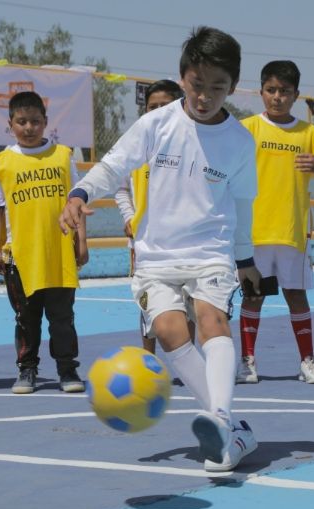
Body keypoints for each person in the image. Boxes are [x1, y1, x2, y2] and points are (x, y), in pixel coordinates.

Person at [60, 27, 260, 473]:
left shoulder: (241, 141)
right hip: (156, 255)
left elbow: (243, 206)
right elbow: (114, 166)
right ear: (182, 77)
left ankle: (222, 418)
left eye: (217, 87)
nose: (205, 96)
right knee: (170, 332)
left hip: (211, 251)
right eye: (196, 84)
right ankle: (234, 432)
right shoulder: (157, 123)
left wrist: (245, 259)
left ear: (232, 86)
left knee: (212, 321)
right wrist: (80, 194)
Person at [237, 60, 314, 385]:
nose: (277, 97)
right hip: (254, 231)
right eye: (271, 90)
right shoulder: (246, 128)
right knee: (253, 296)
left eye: (284, 91)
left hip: (292, 231)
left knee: (296, 295)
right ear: (261, 91)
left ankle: (308, 361)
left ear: (295, 95)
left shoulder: (310, 133)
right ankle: (247, 362)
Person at [0, 91, 88, 395]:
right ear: (10, 123)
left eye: (35, 121)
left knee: (62, 319)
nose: (28, 127)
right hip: (20, 258)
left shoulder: (62, 156)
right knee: (26, 319)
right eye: (21, 121)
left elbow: (78, 203)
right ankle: (27, 369)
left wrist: (82, 242)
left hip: (59, 255)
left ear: (45, 123)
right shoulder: (2, 163)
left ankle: (67, 368)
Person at [113, 79, 193, 354]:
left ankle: (188, 360)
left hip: (185, 241)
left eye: (165, 105)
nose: (158, 111)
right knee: (148, 302)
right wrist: (129, 216)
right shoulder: (135, 144)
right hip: (145, 242)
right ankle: (148, 360)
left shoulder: (192, 141)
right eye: (152, 106)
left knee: (187, 301)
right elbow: (121, 188)